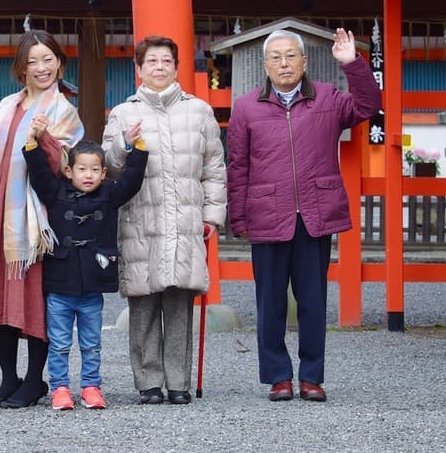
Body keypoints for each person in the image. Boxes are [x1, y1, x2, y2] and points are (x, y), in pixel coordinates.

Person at [226, 27, 380, 403]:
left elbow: (369, 106)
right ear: (265, 65)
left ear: (304, 61)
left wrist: (353, 64)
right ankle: (279, 376)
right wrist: (239, 217)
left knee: (312, 300)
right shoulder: (246, 107)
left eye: (291, 55)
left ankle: (311, 375)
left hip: (315, 213)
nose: (284, 63)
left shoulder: (327, 98)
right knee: (270, 302)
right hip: (267, 213)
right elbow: (237, 165)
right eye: (276, 57)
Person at [103, 36, 227, 405]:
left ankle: (178, 381)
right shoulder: (123, 113)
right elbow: (108, 166)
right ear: (139, 69)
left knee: (178, 302)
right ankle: (148, 382)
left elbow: (214, 168)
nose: (159, 67)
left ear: (176, 67)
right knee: (143, 301)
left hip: (185, 217)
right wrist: (123, 143)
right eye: (151, 61)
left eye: (166, 61)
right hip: (141, 216)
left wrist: (212, 214)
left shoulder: (199, 111)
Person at [0, 29, 84, 410]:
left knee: (35, 298)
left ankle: (36, 379)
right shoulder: (7, 105)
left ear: (59, 63)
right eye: (32, 61)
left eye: (48, 59)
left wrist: (44, 139)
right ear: (21, 68)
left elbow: (66, 164)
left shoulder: (63, 110)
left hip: (35, 220)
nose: (41, 68)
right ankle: (9, 378)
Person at [26, 131, 147, 411]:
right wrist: (32, 144)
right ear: (69, 170)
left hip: (93, 286)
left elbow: (131, 181)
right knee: (59, 343)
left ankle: (91, 387)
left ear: (104, 172)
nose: (88, 175)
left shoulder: (109, 195)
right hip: (60, 285)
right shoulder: (56, 192)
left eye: (95, 169)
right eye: (82, 169)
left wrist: (138, 149)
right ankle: (60, 388)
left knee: (91, 344)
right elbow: (40, 174)